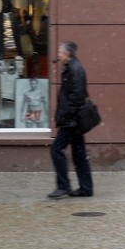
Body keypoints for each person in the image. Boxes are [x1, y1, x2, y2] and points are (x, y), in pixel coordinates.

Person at [48, 41, 94, 199]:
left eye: (60, 52)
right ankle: (86, 188)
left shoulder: (75, 69)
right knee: (79, 154)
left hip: (71, 121)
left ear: (67, 54)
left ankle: (63, 186)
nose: (58, 54)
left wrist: (67, 116)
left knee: (56, 150)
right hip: (73, 120)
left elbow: (78, 97)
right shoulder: (71, 68)